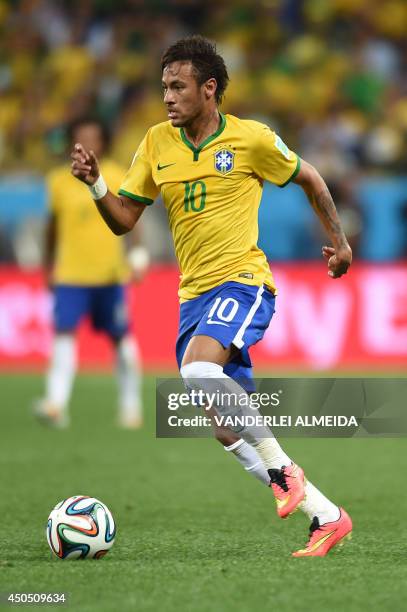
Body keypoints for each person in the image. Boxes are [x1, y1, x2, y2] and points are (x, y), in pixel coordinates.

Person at [70, 36, 353, 557]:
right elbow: (125, 219)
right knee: (225, 430)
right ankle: (327, 517)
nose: (168, 97)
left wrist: (339, 243)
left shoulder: (252, 140)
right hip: (193, 296)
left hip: (244, 282)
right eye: (163, 88)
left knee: (199, 370)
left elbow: (310, 178)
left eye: (178, 87)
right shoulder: (156, 142)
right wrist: (95, 186)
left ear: (209, 89)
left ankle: (286, 472)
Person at [35, 117, 148, 429]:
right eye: (79, 137)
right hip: (70, 274)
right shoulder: (57, 180)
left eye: (92, 137)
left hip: (110, 275)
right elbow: (52, 228)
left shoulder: (114, 173)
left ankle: (130, 405)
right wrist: (48, 266)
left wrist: (137, 255)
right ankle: (56, 404)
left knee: (121, 340)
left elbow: (130, 217)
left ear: (103, 142)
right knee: (63, 335)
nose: (85, 143)